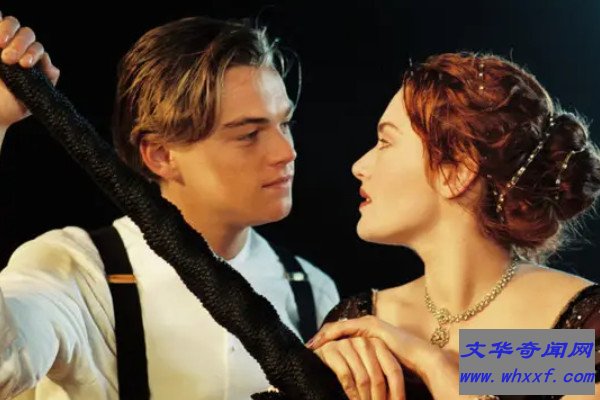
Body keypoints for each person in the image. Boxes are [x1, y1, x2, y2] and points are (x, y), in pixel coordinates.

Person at [0, 11, 339, 400]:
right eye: (248, 134)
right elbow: (6, 366)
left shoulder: (311, 290)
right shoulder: (75, 271)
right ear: (160, 155)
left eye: (284, 124)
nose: (286, 152)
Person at [305, 52, 600, 400]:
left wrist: (428, 361)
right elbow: (482, 364)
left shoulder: (581, 330)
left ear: (457, 171)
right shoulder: (357, 322)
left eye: (385, 142)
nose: (359, 165)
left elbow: (490, 365)